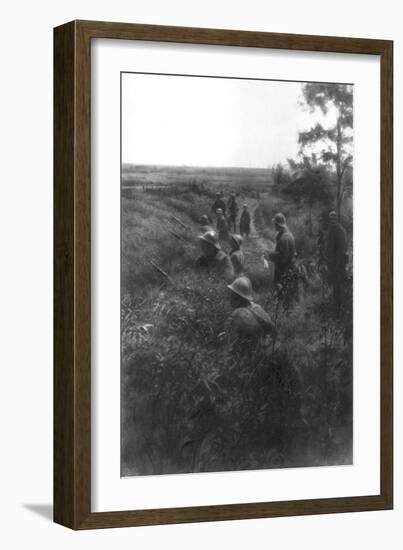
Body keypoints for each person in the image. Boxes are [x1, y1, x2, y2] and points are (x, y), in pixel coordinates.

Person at [225, 276, 276, 344]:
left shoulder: (237, 315)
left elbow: (228, 341)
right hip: (267, 347)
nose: (230, 297)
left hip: (250, 350)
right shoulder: (258, 308)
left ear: (239, 298)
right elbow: (273, 329)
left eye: (232, 295)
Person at [267, 213, 298, 308]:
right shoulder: (289, 235)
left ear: (278, 224)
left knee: (282, 293)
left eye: (275, 224)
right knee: (287, 293)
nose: (274, 226)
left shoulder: (284, 238)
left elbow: (283, 257)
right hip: (290, 268)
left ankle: (282, 313)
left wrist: (270, 255)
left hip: (283, 270)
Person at [325, 210, 348, 308]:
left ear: (337, 219)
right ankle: (335, 305)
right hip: (332, 262)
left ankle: (338, 307)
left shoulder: (339, 230)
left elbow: (341, 249)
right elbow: (329, 246)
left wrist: (337, 264)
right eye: (331, 219)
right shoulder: (332, 229)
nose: (332, 220)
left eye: (334, 219)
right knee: (335, 285)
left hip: (338, 263)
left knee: (338, 285)